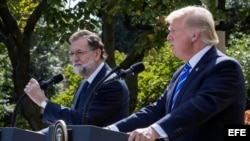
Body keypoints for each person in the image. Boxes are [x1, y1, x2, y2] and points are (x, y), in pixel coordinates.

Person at [106, 6, 246, 141]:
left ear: (194, 35)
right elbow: (157, 110)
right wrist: (111, 130)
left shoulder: (224, 67)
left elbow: (199, 107)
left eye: (173, 30)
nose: (168, 37)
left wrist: (154, 130)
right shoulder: (183, 71)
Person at [24, 29, 130, 133]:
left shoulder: (112, 83)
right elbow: (69, 126)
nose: (74, 58)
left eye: (79, 52)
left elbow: (80, 122)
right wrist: (38, 135)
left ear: (97, 54)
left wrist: (43, 102)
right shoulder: (84, 84)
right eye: (71, 54)